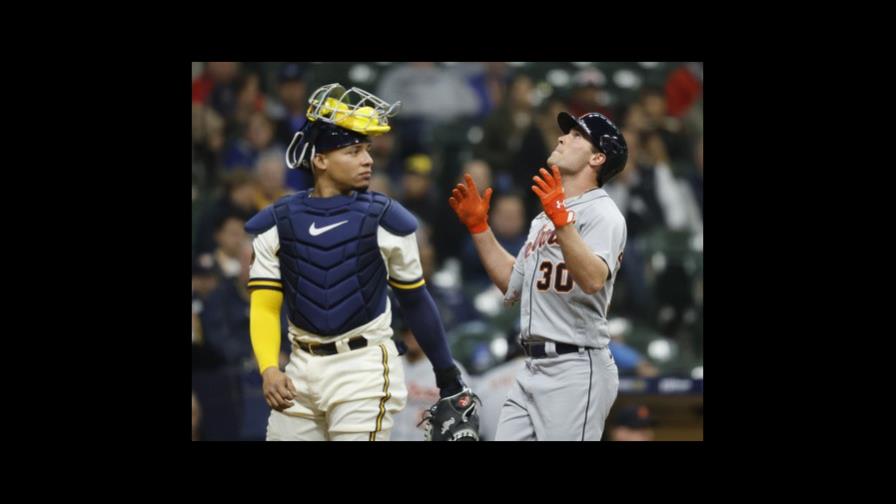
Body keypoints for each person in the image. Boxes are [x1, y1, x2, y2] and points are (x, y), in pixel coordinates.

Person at [245, 83, 478, 441]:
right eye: (353, 150)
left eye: (367, 150)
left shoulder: (387, 218)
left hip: (363, 366)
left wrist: (447, 376)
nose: (368, 159)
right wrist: (268, 369)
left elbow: (416, 301)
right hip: (298, 368)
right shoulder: (276, 222)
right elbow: (263, 306)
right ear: (320, 160)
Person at [449, 110, 628, 441]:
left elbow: (592, 280)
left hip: (575, 365)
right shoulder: (544, 217)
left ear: (598, 157)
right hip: (531, 366)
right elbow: (512, 285)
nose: (562, 137)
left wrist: (561, 219)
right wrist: (479, 228)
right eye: (567, 133)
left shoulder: (604, 213)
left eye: (577, 136)